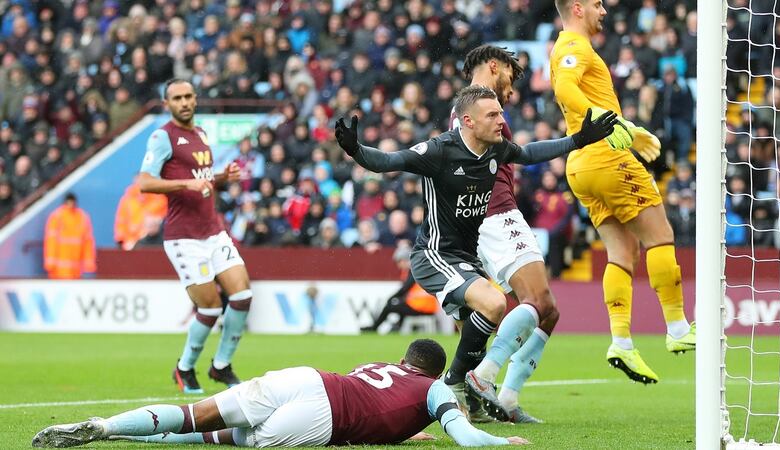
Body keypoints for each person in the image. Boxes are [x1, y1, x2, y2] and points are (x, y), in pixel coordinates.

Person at [335, 85, 616, 419]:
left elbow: (528, 153)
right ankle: (454, 382)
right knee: (496, 302)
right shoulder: (440, 150)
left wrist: (576, 140)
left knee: (482, 333)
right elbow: (390, 161)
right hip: (434, 255)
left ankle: (471, 399)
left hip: (467, 259)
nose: (501, 120)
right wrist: (356, 150)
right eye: (493, 115)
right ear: (467, 121)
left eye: (500, 112)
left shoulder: (495, 150)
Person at [550, 0, 695, 384]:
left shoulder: (576, 48)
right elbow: (564, 87)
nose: (604, 10)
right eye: (597, 4)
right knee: (660, 236)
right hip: (606, 160)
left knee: (623, 252)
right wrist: (602, 119)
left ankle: (622, 342)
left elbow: (586, 100)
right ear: (577, 8)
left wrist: (629, 128)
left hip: (581, 166)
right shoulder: (573, 47)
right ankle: (679, 328)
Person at [31, 339, 529, 448]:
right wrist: (503, 443)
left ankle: (107, 428)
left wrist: (407, 433)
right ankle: (119, 437)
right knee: (222, 440)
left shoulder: (378, 366)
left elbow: (378, 401)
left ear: (405, 359)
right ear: (435, 371)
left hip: (309, 378)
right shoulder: (435, 390)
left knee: (194, 414)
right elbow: (464, 436)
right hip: (324, 418)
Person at [452, 45, 562, 424]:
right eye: (510, 79)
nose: (512, 92)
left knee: (548, 312)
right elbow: (523, 154)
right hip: (497, 213)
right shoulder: (474, 112)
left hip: (481, 219)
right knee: (538, 299)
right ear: (493, 67)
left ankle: (507, 398)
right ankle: (482, 378)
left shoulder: (469, 111)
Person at [138, 78, 251, 393]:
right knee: (211, 307)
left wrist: (221, 177)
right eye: (177, 98)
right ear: (167, 104)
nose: (184, 102)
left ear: (196, 99)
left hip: (214, 232)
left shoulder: (200, 134)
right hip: (184, 238)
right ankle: (184, 367)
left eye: (188, 96)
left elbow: (199, 179)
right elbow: (145, 182)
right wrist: (186, 184)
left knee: (242, 296)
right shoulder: (163, 137)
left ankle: (221, 366)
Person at [363, 245, 440, 333]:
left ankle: (374, 328)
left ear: (404, 260)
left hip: (420, 307)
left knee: (389, 307)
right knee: (401, 305)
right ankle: (396, 328)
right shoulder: (420, 268)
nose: (398, 266)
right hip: (427, 307)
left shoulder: (413, 271)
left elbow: (404, 289)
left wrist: (391, 298)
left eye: (398, 262)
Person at [43, 192, 96, 279]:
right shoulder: (57, 217)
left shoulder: (82, 217)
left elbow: (88, 242)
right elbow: (51, 241)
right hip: (59, 267)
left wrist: (88, 263)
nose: (70, 205)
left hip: (76, 267)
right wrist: (50, 262)